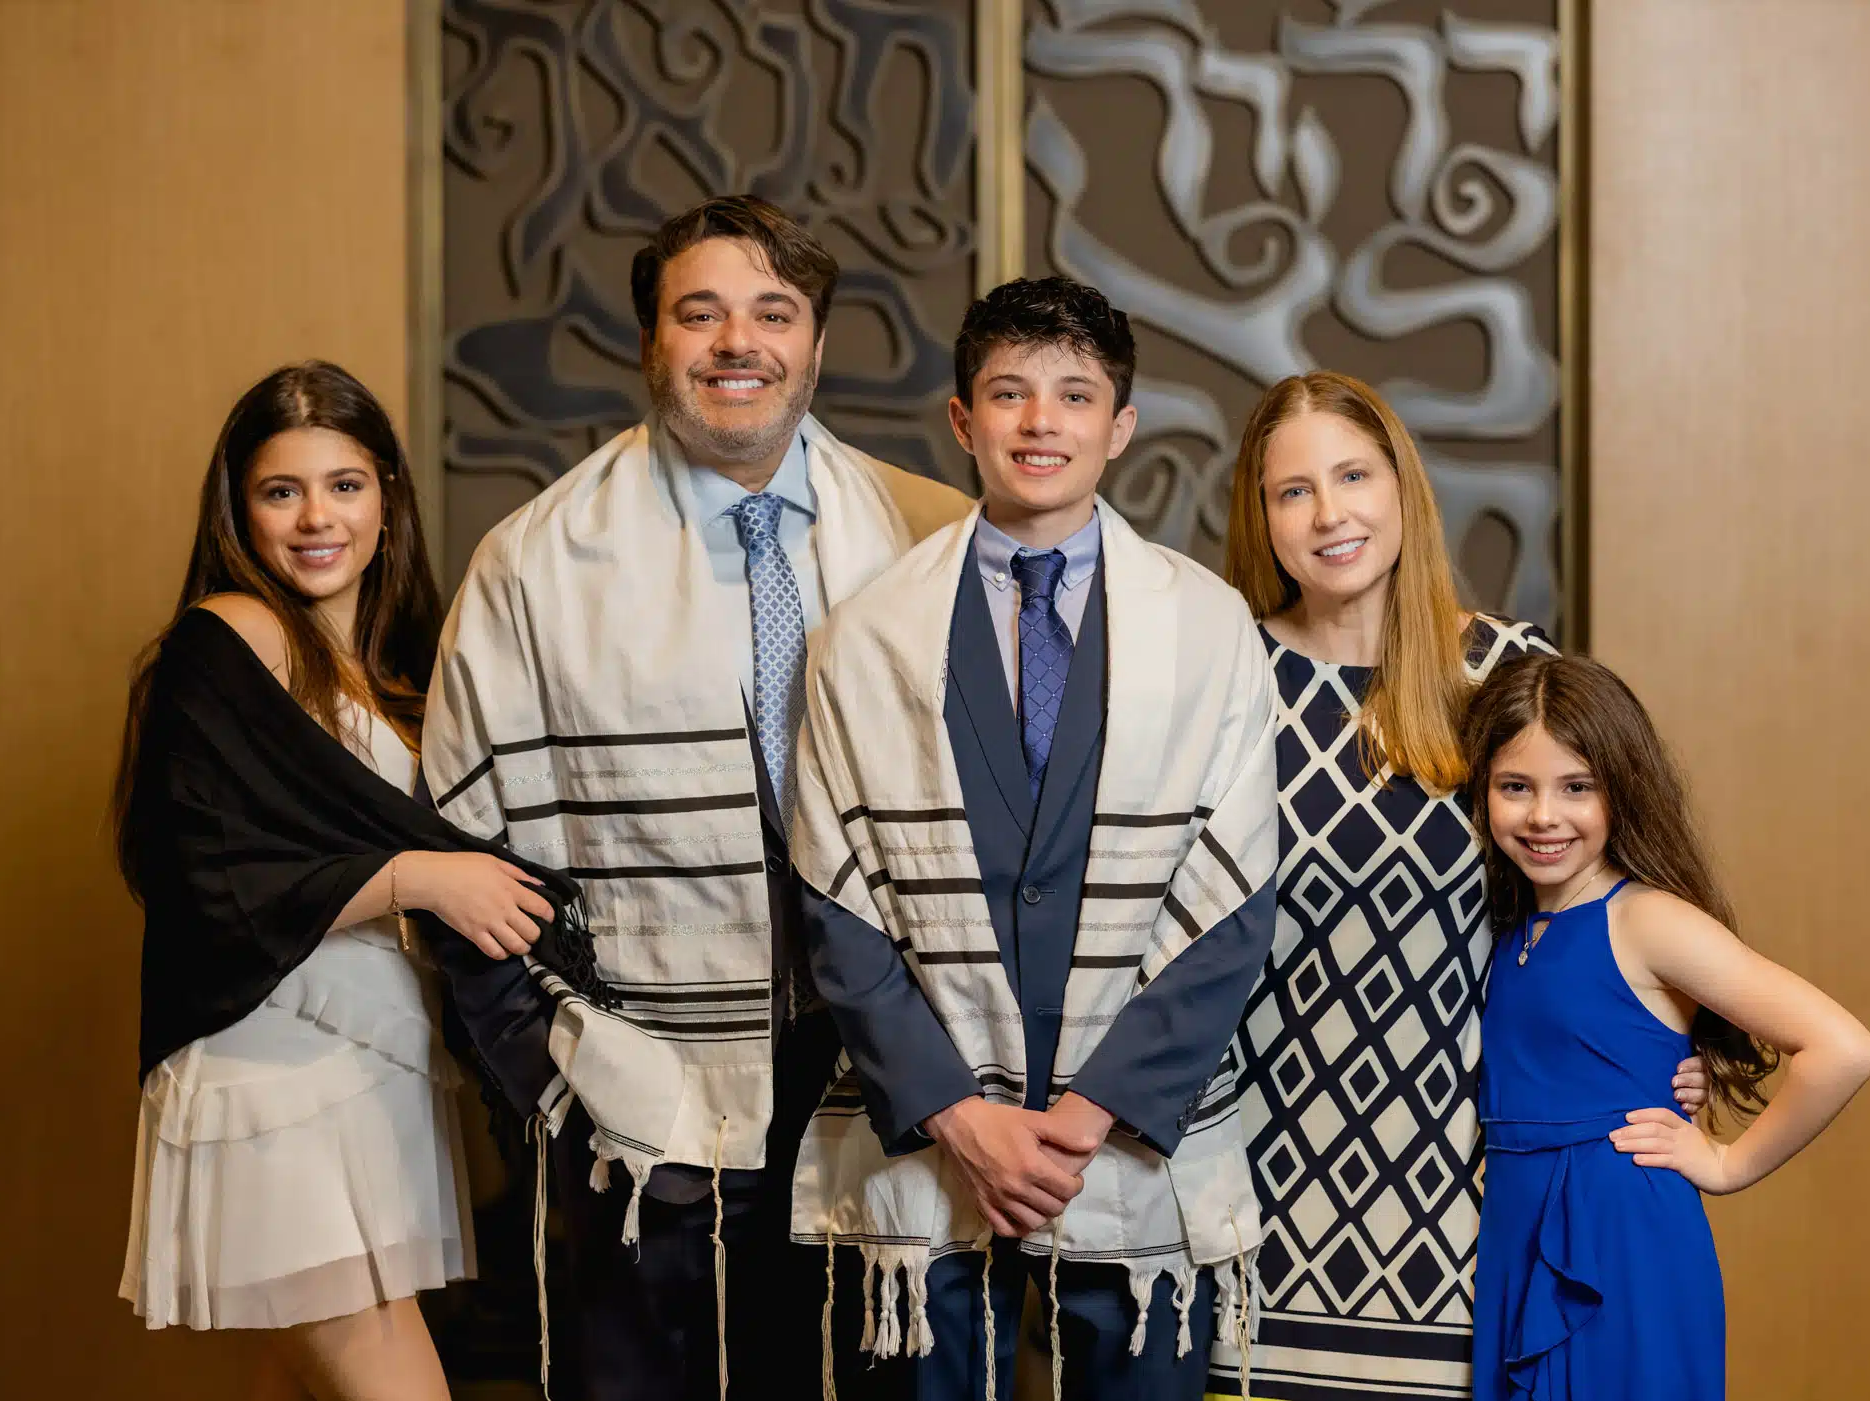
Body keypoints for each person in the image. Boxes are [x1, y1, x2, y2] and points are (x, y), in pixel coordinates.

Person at [420, 195, 967, 1400]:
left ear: (817, 343)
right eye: (700, 313)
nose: (739, 343)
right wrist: (560, 1090)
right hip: (642, 1099)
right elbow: (460, 858)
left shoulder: (931, 537)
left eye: (775, 313)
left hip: (880, 1078)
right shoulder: (537, 562)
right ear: (650, 341)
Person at [788, 275, 1276, 1401]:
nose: (1041, 422)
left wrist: (1085, 1115)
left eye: (1074, 395)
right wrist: (962, 1118)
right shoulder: (866, 639)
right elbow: (833, 901)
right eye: (1009, 393)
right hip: (938, 1131)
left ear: (1121, 427)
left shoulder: (1206, 629)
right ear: (964, 421)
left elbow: (1236, 896)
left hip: (1123, 1134)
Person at [1208, 372, 1707, 1400]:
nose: (1330, 512)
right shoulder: (1224, 677)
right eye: (1291, 490)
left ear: (1403, 488)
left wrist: (1671, 1044)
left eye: (1353, 475)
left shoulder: (1503, 673)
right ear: (1260, 516)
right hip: (1255, 1201)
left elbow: (1610, 899)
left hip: (1467, 1208)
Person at [115, 361, 581, 1400]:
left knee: (297, 1378)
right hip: (281, 1068)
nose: (316, 517)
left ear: (387, 499)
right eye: (282, 491)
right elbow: (201, 868)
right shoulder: (230, 634)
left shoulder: (402, 666)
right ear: (240, 508)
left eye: (345, 484)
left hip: (379, 1071)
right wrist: (420, 875)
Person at [1463, 652, 1870, 1399]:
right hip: (1516, 1231)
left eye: (1577, 787)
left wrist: (1728, 1164)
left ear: (1621, 790)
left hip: (1618, 1238)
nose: (1543, 815)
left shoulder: (1647, 918)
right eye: (1515, 786)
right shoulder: (1515, 925)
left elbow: (1844, 1046)